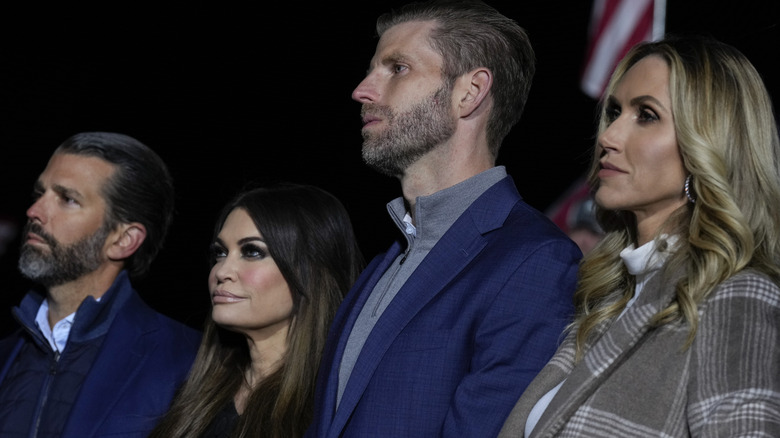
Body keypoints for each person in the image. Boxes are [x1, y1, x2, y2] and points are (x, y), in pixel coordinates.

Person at [307, 1, 582, 436]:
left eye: (397, 68)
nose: (363, 89)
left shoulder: (536, 262)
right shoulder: (385, 264)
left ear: (469, 92)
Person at [499, 35, 780, 437]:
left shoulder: (736, 296)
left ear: (709, 141)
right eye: (613, 112)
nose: (608, 137)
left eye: (646, 115)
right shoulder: (609, 302)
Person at [0, 132, 201, 438]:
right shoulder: (7, 351)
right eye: (39, 194)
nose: (34, 212)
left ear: (123, 240)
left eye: (67, 199)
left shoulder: (187, 363)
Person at [149, 183, 364, 438]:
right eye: (220, 253)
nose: (221, 271)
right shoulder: (197, 391)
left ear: (312, 272)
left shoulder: (337, 405)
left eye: (252, 251)